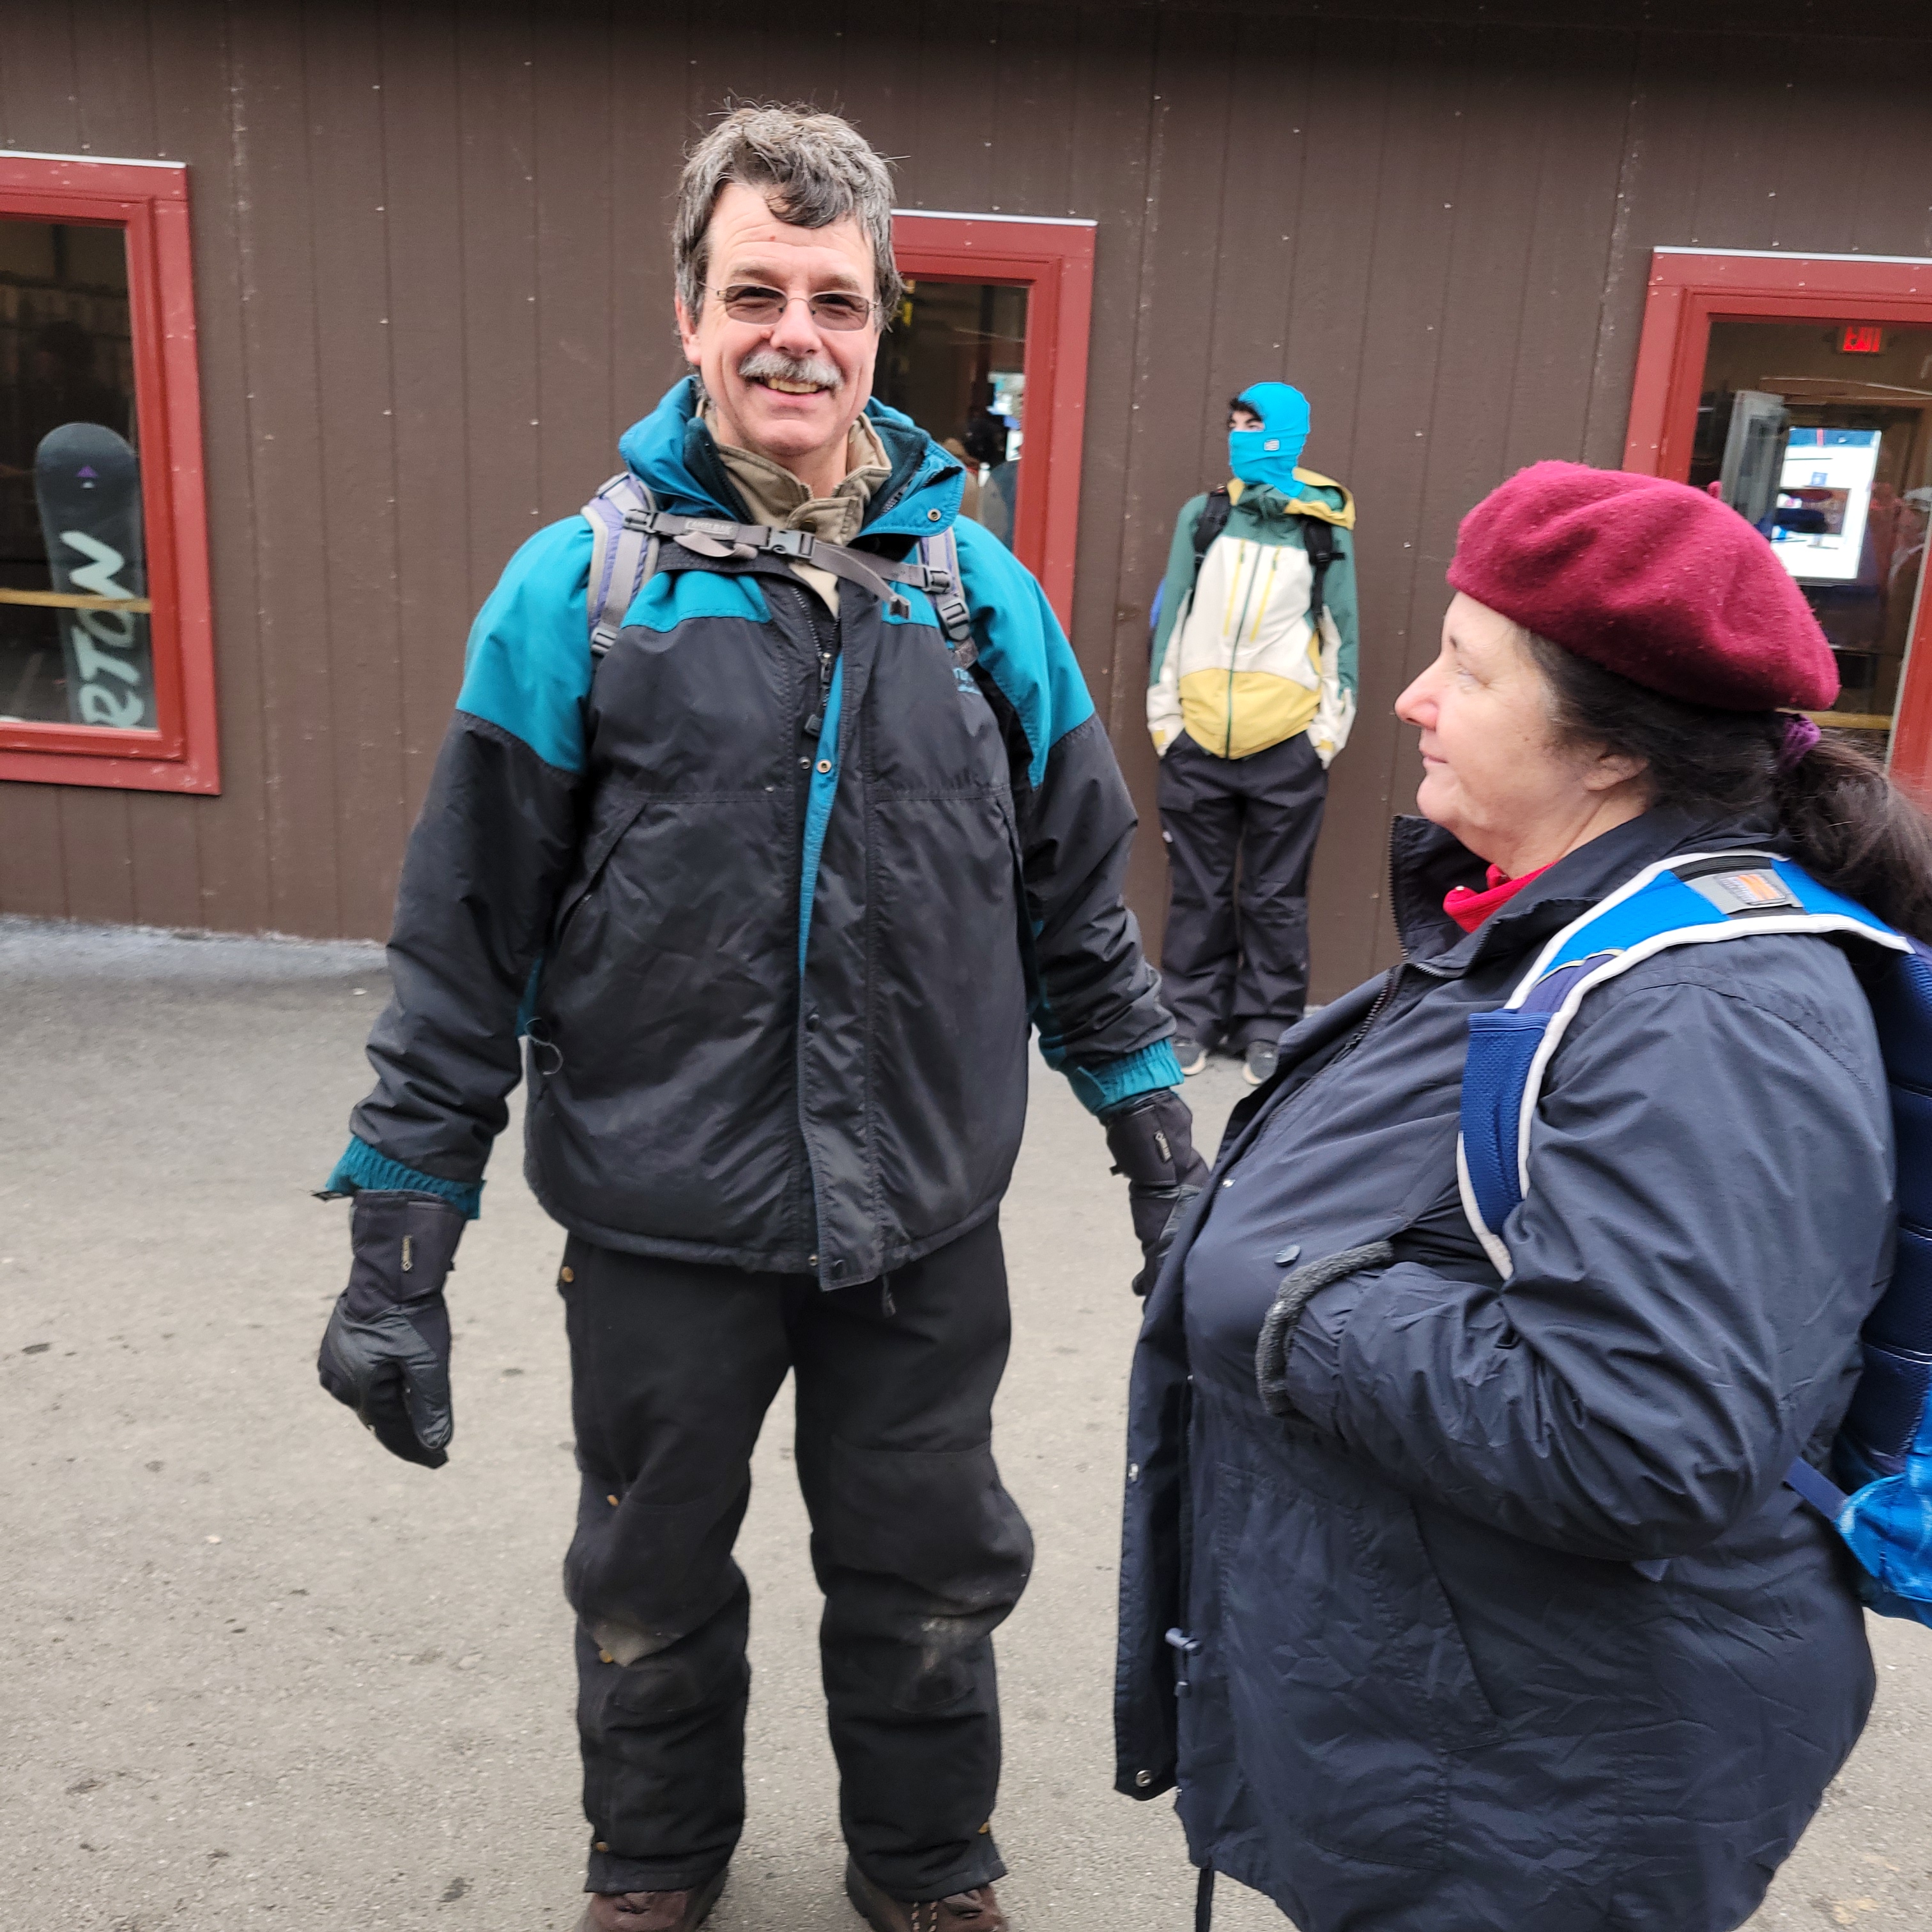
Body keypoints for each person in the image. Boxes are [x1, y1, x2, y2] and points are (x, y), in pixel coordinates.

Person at [314, 104, 1204, 1932]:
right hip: (661, 1222)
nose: (796, 336)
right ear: (690, 314)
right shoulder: (576, 595)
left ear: (880, 327)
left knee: (933, 1572)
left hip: (922, 1221)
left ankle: (927, 1870)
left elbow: (1077, 913)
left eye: (835, 301)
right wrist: (400, 1238)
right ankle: (655, 1864)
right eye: (755, 294)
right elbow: (466, 936)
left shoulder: (982, 607)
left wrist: (1162, 1156)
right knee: (646, 1580)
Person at [1117, 460, 1932, 1932]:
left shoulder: (1708, 1011)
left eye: (1466, 669)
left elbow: (1649, 1438)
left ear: (1609, 748)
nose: (1413, 699)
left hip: (1545, 1800)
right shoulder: (1551, 920)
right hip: (1465, 1733)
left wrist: (1299, 1309)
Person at [1146, 381, 1359, 1086]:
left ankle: (1270, 1025)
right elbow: (1172, 619)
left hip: (1287, 746)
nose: (1240, 435)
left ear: (1288, 434)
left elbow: (1342, 637)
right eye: (1234, 423)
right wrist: (1167, 724)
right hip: (1197, 742)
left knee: (1276, 895)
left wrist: (1323, 738)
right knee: (1198, 892)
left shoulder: (1321, 528)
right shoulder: (1205, 516)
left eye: (1254, 424)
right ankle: (1190, 1019)